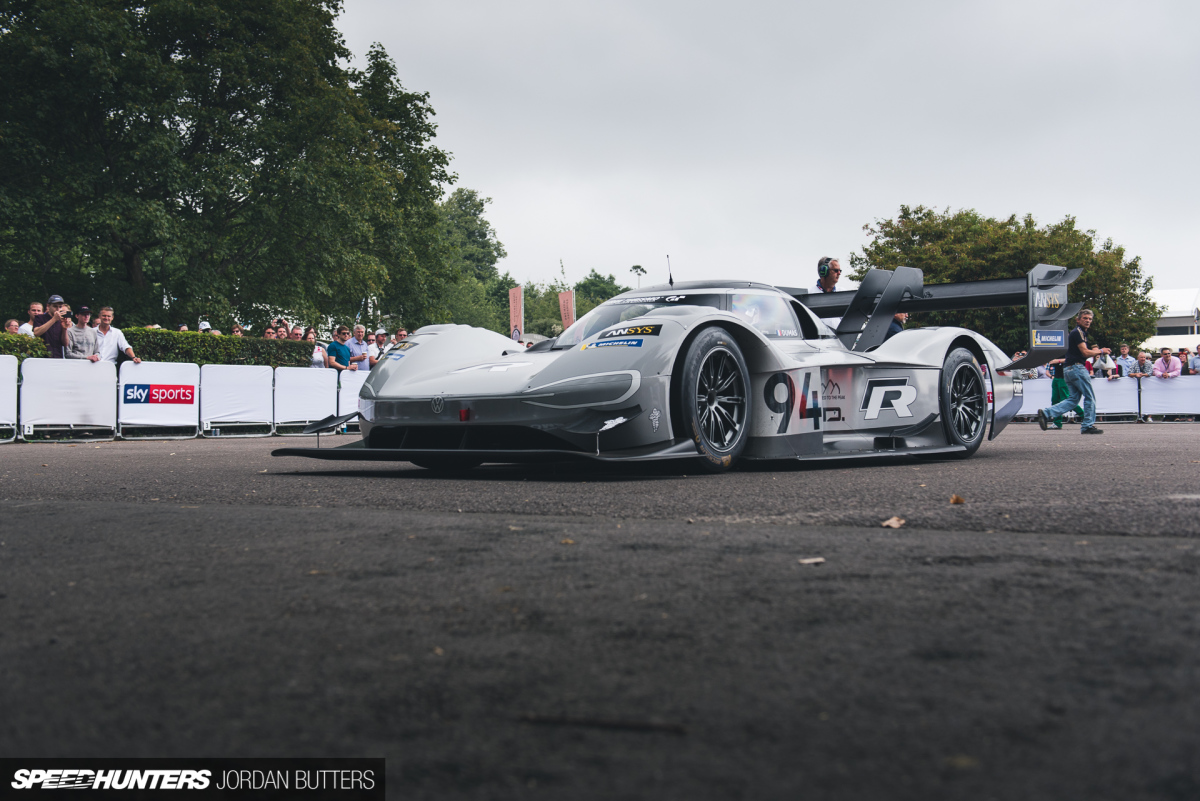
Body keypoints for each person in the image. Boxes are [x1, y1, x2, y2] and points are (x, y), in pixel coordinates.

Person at [1037, 309, 1108, 435]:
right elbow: (1085, 352)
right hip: (1077, 368)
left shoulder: (1078, 333)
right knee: (1089, 397)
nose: (1088, 321)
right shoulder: (1078, 333)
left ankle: (1046, 413)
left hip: (1068, 369)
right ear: (1078, 320)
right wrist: (1101, 351)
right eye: (1085, 318)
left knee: (1073, 399)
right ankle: (1087, 426)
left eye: (1090, 319)